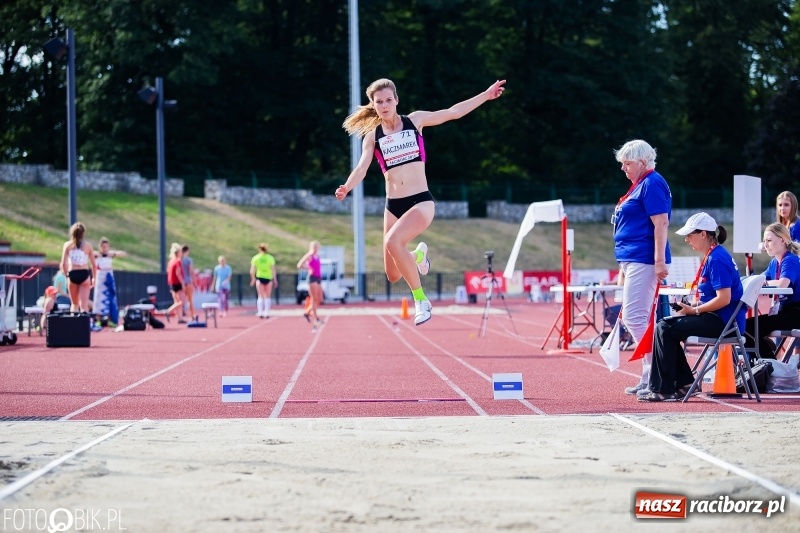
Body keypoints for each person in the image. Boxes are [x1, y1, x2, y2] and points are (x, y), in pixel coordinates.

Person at [336, 78, 506, 326]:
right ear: (373, 105)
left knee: (392, 241)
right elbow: (362, 168)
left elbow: (453, 112)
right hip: (393, 206)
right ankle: (417, 256)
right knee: (392, 274)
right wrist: (347, 187)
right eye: (379, 102)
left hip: (420, 201)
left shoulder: (414, 121)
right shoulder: (373, 137)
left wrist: (485, 95)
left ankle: (421, 300)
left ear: (397, 100)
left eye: (388, 100)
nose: (384, 105)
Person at [639, 213, 745, 402]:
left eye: (689, 235)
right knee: (665, 326)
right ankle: (684, 384)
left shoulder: (717, 259)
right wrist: (692, 306)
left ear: (703, 234)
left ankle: (664, 388)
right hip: (718, 318)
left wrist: (693, 310)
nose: (686, 239)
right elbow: (714, 297)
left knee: (665, 328)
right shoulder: (713, 255)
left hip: (724, 323)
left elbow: (724, 299)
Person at [612, 140, 672, 397]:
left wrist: (659, 261)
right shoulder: (640, 184)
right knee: (640, 318)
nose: (623, 168)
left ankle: (655, 372)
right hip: (634, 258)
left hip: (644, 258)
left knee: (634, 317)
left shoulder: (652, 183)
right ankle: (650, 375)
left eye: (627, 163)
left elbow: (661, 223)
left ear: (643, 162)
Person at [744, 222, 800, 358]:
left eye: (769, 240)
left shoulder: (790, 260)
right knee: (746, 327)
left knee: (747, 328)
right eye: (764, 241)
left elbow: (782, 284)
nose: (765, 245)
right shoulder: (774, 262)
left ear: (782, 240)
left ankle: (769, 366)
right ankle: (766, 364)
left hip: (796, 313)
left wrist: (763, 282)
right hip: (785, 312)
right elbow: (758, 279)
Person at [60, 222, 97, 313]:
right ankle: (84, 321)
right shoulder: (88, 246)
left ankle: (73, 321)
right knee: (84, 305)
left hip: (72, 274)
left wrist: (67, 276)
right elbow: (93, 264)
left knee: (74, 304)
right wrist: (94, 278)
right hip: (84, 274)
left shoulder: (67, 245)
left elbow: (63, 264)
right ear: (83, 233)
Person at [93, 237, 126, 327]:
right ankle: (98, 319)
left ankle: (110, 320)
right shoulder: (96, 255)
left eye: (106, 247)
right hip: (100, 279)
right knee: (99, 299)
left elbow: (123, 253)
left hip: (109, 278)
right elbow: (89, 253)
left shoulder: (110, 255)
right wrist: (98, 254)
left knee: (110, 298)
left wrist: (113, 253)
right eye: (103, 247)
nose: (104, 249)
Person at [297, 240, 324, 326]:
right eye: (314, 247)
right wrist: (308, 268)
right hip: (312, 278)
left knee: (319, 299)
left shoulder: (318, 256)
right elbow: (299, 265)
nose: (315, 248)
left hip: (318, 278)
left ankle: (307, 312)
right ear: (311, 247)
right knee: (314, 298)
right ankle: (316, 318)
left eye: (317, 247)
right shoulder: (309, 255)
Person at [250, 243, 278, 319]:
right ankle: (267, 312)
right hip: (268, 278)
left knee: (260, 295)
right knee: (268, 296)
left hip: (260, 277)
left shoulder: (256, 258)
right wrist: (275, 279)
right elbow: (273, 270)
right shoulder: (270, 258)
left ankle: (260, 312)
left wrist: (253, 279)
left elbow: (252, 270)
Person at [166, 243, 186, 323]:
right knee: (182, 301)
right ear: (178, 253)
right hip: (177, 283)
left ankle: (180, 318)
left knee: (176, 301)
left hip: (172, 283)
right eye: (180, 252)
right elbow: (178, 273)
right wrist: (183, 283)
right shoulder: (177, 261)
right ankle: (168, 311)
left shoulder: (171, 261)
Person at [181, 244, 197, 321]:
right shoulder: (188, 260)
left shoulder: (178, 259)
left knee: (180, 300)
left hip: (180, 282)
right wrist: (195, 282)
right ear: (187, 251)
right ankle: (192, 315)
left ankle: (181, 314)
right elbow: (191, 271)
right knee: (190, 300)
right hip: (188, 282)